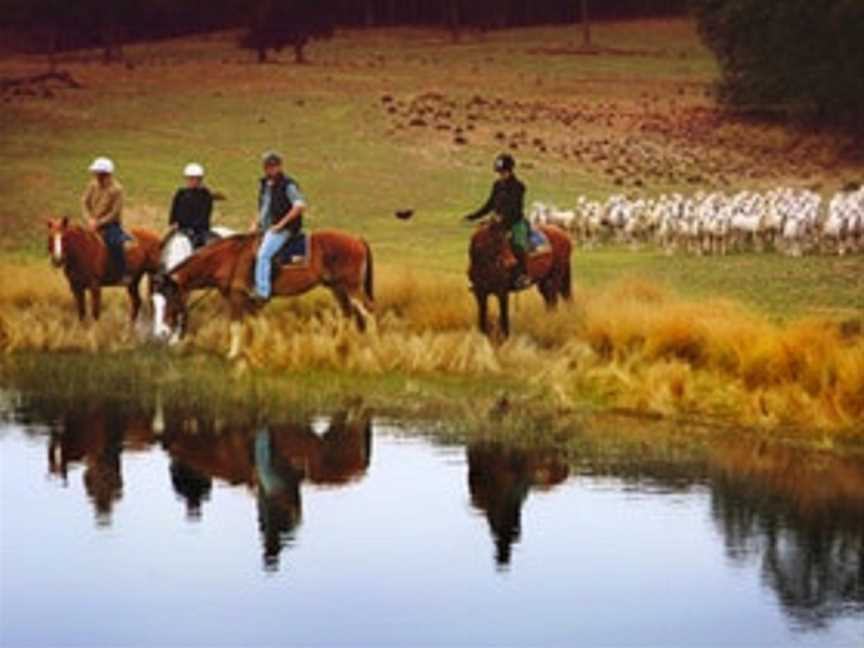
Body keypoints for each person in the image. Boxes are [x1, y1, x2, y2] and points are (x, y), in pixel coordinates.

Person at [463, 153, 531, 289]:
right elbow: (489, 204)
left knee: (519, 244)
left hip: (515, 222)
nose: (501, 175)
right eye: (499, 172)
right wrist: (473, 216)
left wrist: (503, 217)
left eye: (504, 172)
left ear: (510, 170)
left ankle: (522, 275)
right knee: (480, 242)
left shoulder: (519, 186)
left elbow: (516, 208)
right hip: (497, 223)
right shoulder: (497, 185)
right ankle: (480, 277)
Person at [251, 151, 307, 304]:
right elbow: (263, 207)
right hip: (266, 227)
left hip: (284, 229)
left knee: (263, 255)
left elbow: (300, 206)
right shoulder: (265, 184)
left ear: (279, 167)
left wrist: (281, 225)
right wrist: (255, 223)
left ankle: (263, 291)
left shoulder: (288, 184)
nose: (269, 170)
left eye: (272, 166)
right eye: (267, 167)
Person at [81, 157, 128, 283]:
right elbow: (84, 202)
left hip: (110, 225)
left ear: (106, 174)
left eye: (98, 173)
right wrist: (89, 219)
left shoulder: (117, 189)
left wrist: (99, 223)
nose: (96, 176)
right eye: (95, 173)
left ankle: (122, 273)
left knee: (116, 244)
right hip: (91, 223)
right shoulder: (92, 185)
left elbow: (115, 212)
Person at [168, 163, 213, 249]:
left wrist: (194, 227)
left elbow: (205, 214)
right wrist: (173, 222)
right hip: (181, 228)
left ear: (200, 180)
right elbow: (174, 209)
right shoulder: (181, 193)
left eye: (196, 179)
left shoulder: (205, 195)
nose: (193, 181)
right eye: (190, 179)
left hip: (199, 230)